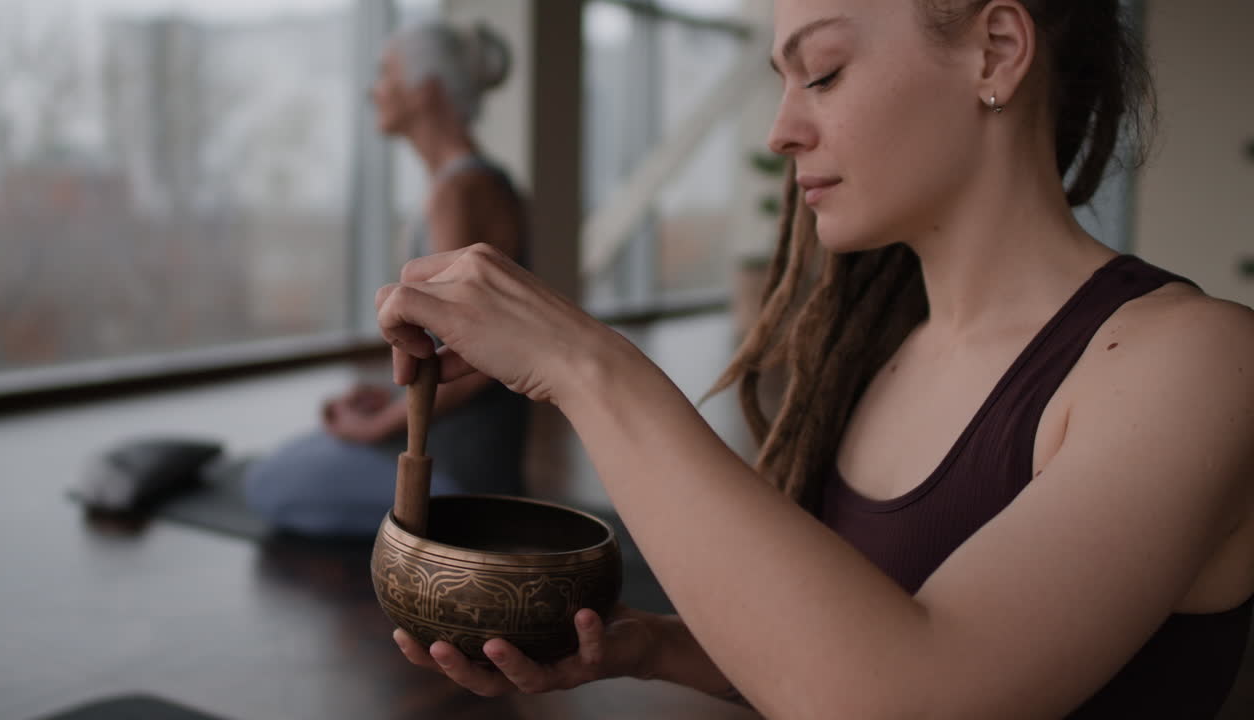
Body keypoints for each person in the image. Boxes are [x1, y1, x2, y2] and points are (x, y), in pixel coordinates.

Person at [375, 0, 1254, 717]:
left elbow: (911, 698)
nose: (781, 131)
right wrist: (669, 648)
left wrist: (590, 367)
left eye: (823, 73)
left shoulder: (1196, 361)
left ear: (994, 52)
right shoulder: (882, 353)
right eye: (783, 82)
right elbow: (847, 657)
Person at [245, 21, 530, 537]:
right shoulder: (475, 181)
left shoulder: (458, 194)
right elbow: (452, 350)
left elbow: (483, 361)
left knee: (270, 481)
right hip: (454, 444)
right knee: (299, 455)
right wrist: (387, 400)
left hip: (458, 468)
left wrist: (377, 425)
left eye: (385, 74)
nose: (372, 89)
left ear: (425, 91)